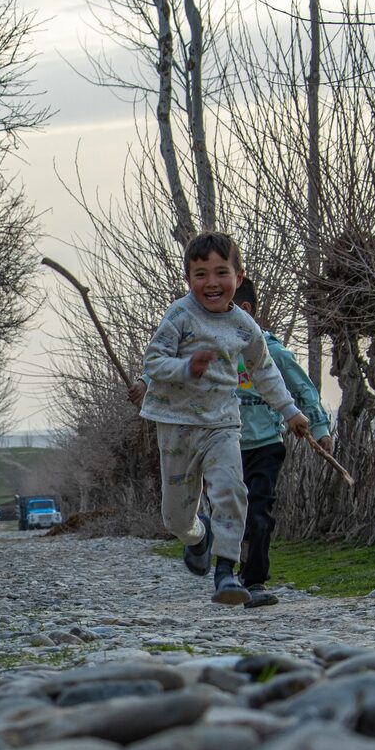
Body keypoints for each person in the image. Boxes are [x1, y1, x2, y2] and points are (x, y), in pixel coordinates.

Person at [136, 231, 310, 604]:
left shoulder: (245, 327)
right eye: (201, 275)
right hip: (176, 423)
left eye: (220, 273)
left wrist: (291, 411)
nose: (211, 283)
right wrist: (186, 367)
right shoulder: (180, 314)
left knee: (232, 491)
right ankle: (198, 539)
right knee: (176, 518)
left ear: (239, 276)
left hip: (222, 423)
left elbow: (265, 372)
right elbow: (152, 361)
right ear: (188, 279)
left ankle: (226, 574)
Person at [229, 278, 333, 607]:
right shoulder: (212, 352)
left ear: (243, 310)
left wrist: (318, 427)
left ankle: (254, 579)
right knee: (228, 512)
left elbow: (303, 390)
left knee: (259, 512)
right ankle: (222, 565)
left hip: (264, 446)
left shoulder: (273, 352)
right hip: (222, 445)